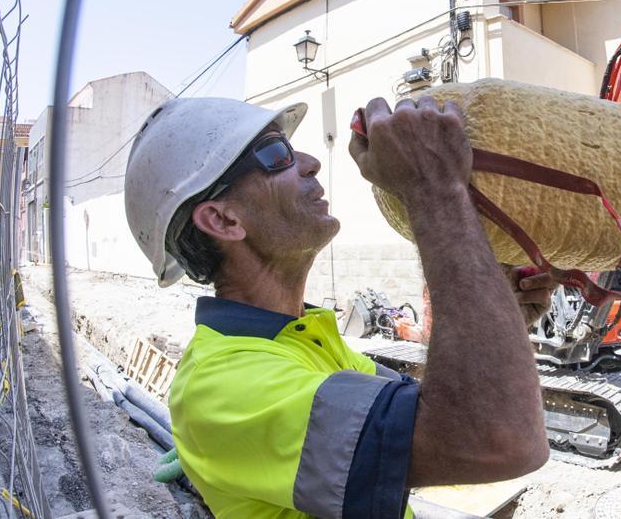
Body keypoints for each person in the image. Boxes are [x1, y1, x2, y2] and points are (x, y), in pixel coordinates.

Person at [123, 95, 556, 518]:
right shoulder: (222, 387)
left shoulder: (304, 337)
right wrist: (434, 188)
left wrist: (498, 319)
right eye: (276, 155)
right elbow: (497, 439)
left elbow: (438, 413)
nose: (310, 162)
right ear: (223, 221)